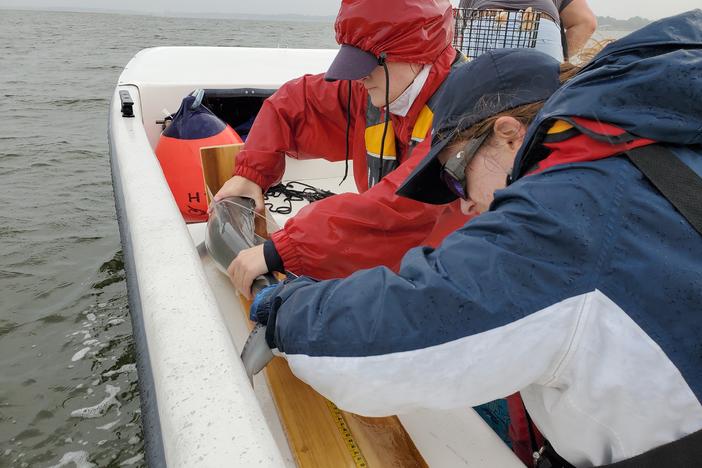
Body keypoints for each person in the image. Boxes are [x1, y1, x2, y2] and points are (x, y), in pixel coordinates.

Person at [249, 10, 702, 467]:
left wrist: (286, 308)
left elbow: (405, 329)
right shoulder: (645, 150)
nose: (463, 205)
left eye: (456, 176)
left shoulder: (568, 215)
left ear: (507, 135)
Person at [214, 0, 470, 299]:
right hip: (389, 272)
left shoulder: (466, 114)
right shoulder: (382, 89)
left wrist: (284, 249)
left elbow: (401, 208)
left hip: (451, 282)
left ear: (416, 53)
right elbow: (295, 105)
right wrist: (252, 172)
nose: (360, 77)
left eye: (367, 64)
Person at [457, 0, 597, 61]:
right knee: (542, 109)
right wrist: (560, 59)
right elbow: (586, 22)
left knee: (475, 108)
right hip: (540, 24)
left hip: (486, 23)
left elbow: (461, 21)